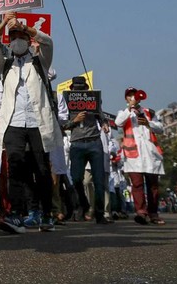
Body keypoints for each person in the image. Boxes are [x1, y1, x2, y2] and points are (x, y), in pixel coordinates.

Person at [0, 13, 61, 234]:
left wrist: (26, 27)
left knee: (41, 169)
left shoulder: (40, 61)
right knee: (15, 169)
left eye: (21, 36)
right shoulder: (6, 65)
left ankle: (46, 214)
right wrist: (4, 23)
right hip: (13, 122)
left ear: (29, 41)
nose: (17, 39)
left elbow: (48, 42)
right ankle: (15, 216)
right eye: (13, 36)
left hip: (38, 122)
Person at [60, 76, 110, 224]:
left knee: (99, 180)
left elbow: (102, 116)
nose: (79, 91)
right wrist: (74, 121)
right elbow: (63, 125)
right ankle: (83, 204)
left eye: (82, 88)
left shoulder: (93, 101)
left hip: (94, 142)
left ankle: (100, 213)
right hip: (76, 143)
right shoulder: (67, 103)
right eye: (76, 88)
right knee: (76, 179)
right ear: (72, 89)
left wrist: (104, 124)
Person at [115, 87, 165, 225]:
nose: (133, 98)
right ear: (126, 99)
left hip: (150, 153)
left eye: (134, 95)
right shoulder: (123, 112)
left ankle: (153, 214)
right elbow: (119, 122)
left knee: (153, 185)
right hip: (133, 154)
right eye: (130, 96)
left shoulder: (149, 112)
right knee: (136, 184)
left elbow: (161, 128)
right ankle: (141, 213)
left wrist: (149, 124)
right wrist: (129, 109)